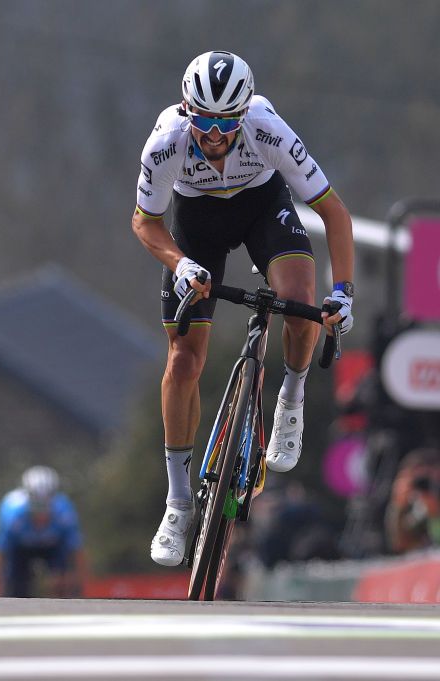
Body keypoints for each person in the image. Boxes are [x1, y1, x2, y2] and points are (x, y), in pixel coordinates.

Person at [132, 51, 355, 566]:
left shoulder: (268, 129)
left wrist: (342, 291)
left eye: (225, 122)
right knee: (184, 360)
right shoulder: (165, 142)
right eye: (203, 120)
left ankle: (290, 401)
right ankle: (178, 502)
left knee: (301, 305)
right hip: (196, 226)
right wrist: (181, 264)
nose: (213, 135)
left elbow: (333, 212)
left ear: (243, 114)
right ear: (187, 110)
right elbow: (145, 222)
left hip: (262, 208)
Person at [0, 466, 87, 598]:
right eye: (36, 506)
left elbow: (78, 553)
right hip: (20, 549)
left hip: (53, 548)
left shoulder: (64, 512)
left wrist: (82, 589)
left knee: (61, 584)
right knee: (17, 587)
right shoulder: (13, 514)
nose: (41, 515)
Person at [385, 447, 440, 554]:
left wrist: (436, 513)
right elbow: (401, 545)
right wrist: (398, 506)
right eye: (419, 481)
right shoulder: (417, 509)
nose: (426, 485)